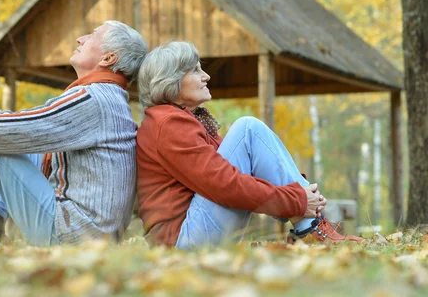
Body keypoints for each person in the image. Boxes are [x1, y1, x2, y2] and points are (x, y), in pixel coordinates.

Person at [0, 20, 148, 251]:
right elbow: (28, 130)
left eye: (93, 36)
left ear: (108, 58)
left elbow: (20, 126)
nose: (81, 38)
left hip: (74, 238)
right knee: (2, 141)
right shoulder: (110, 98)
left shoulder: (93, 98)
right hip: (93, 234)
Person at [136, 41, 363, 249]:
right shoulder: (168, 124)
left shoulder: (180, 120)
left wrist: (298, 195)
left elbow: (233, 178)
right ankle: (311, 228)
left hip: (189, 234)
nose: (206, 76)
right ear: (170, 81)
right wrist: (297, 199)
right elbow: (225, 185)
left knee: (249, 134)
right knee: (248, 129)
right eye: (195, 70)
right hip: (180, 244)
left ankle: (311, 225)